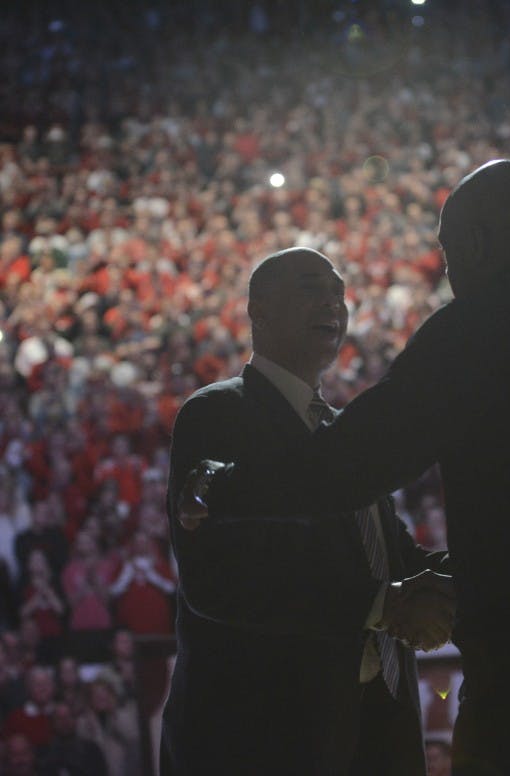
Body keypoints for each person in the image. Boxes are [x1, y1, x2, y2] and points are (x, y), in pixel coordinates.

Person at [187, 161, 510, 774]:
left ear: (477, 244)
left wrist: (223, 486)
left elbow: (352, 465)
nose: (450, 275)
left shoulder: (480, 334)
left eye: (450, 255)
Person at [162, 247, 454, 775]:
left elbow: (389, 555)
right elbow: (221, 582)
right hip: (266, 741)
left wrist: (454, 580)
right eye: (310, 288)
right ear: (258, 311)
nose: (333, 303)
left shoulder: (340, 431)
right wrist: (381, 606)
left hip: (375, 730)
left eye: (339, 292)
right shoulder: (216, 413)